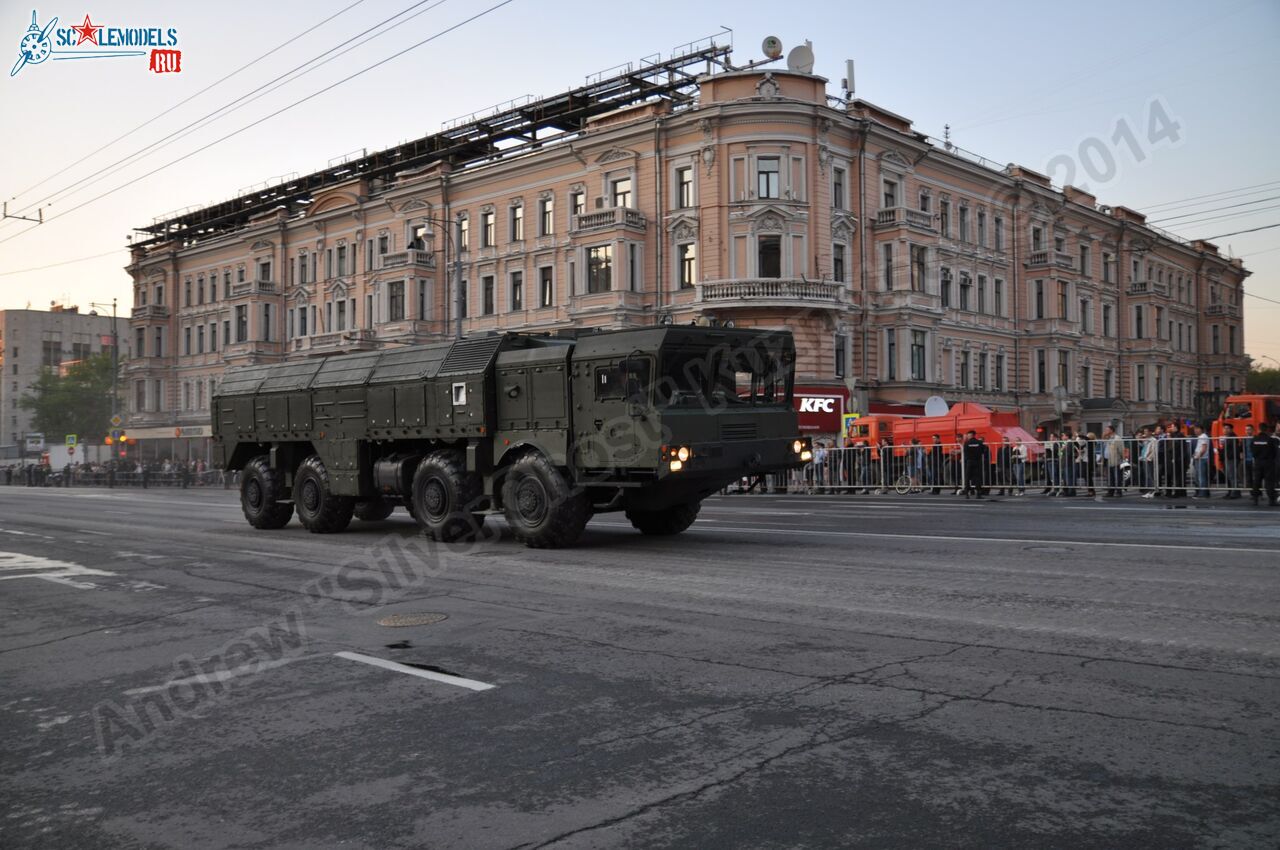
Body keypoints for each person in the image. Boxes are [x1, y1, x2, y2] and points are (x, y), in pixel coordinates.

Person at [1248, 422, 1278, 506]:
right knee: (1269, 482)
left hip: (1258, 462)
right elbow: (1274, 452)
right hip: (1268, 463)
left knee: (1256, 481)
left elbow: (1252, 451)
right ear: (1266, 429)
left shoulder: (1254, 439)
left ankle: (1255, 499)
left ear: (1259, 429)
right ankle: (1271, 500)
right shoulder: (1270, 439)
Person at [961, 429, 986, 500]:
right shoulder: (979, 442)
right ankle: (978, 494)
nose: (968, 436)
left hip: (969, 462)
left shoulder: (967, 443)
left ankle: (967, 494)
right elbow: (983, 451)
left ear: (970, 435)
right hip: (977, 461)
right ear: (975, 435)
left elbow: (965, 452)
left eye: (968, 435)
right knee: (977, 478)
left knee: (967, 478)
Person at [1221, 423, 1243, 499]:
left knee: (1232, 476)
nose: (1225, 430)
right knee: (1229, 476)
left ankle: (1235, 492)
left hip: (1231, 459)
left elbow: (1233, 450)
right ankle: (1231, 492)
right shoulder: (1227, 437)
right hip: (1228, 458)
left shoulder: (1232, 437)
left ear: (1231, 429)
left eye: (1227, 428)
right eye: (1224, 428)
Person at [1103, 426, 1126, 497]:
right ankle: (1110, 491)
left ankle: (1119, 492)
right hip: (1108, 459)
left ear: (1112, 430)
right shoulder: (1108, 438)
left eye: (1107, 430)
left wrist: (1123, 459)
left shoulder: (1117, 438)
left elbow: (1121, 449)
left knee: (1117, 476)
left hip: (1116, 460)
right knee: (1110, 477)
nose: (1105, 431)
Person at [1191, 425, 1211, 498]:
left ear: (1201, 429)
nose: (1195, 430)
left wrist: (1198, 456)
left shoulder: (1203, 436)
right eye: (1195, 429)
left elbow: (1203, 448)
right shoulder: (1201, 437)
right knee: (1199, 477)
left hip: (1201, 459)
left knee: (1201, 477)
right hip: (1199, 458)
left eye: (1197, 428)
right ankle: (1202, 492)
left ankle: (1203, 493)